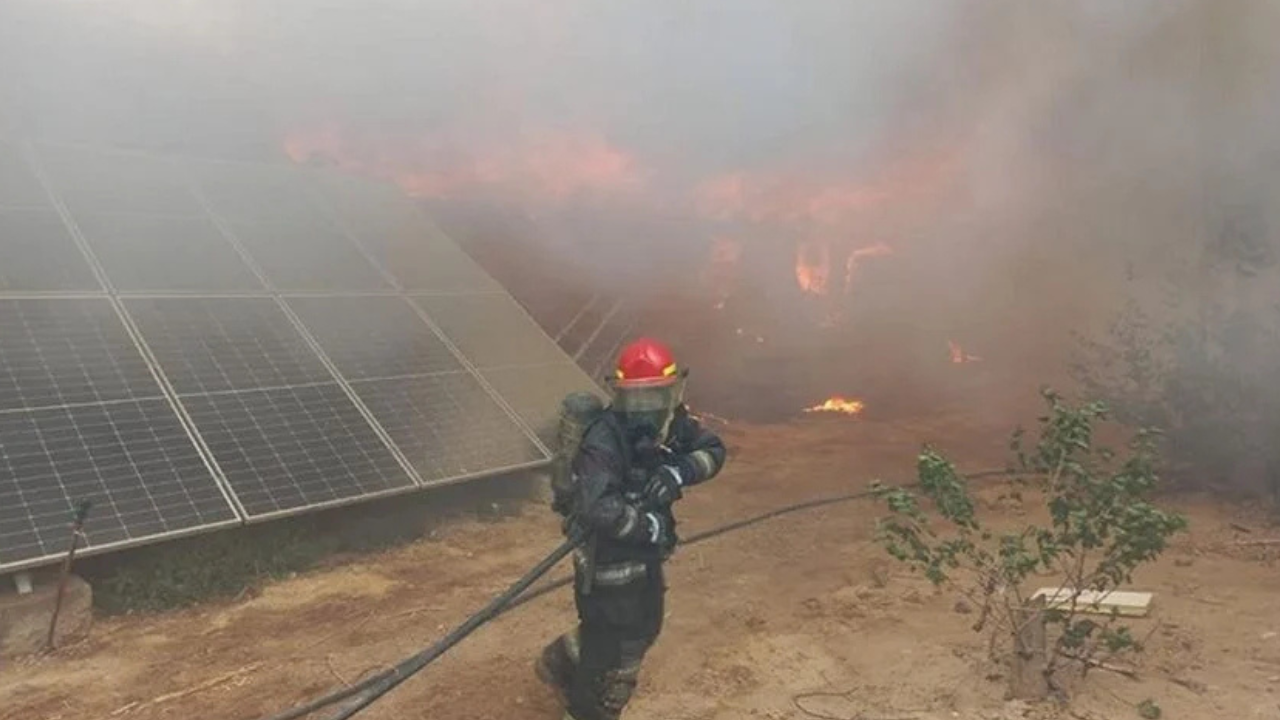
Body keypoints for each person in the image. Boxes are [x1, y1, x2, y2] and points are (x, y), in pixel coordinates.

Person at [536, 337, 727, 720]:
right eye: (637, 401)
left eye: (656, 398)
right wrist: (650, 526)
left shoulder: (673, 423)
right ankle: (589, 709)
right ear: (618, 396)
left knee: (645, 627)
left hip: (644, 558)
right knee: (609, 655)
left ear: (673, 391)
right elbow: (598, 508)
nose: (647, 412)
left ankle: (559, 661)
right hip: (605, 562)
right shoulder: (603, 440)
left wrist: (679, 471)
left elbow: (714, 451)